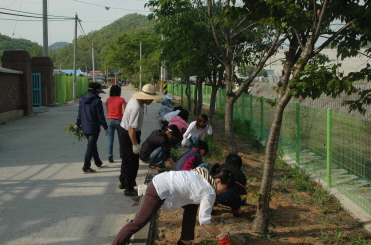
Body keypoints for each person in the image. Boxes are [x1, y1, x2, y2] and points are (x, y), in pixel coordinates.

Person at [111, 165, 235, 245]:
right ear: (218, 181)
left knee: (191, 207)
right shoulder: (209, 191)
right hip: (158, 190)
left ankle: (184, 241)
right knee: (139, 222)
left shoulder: (204, 174)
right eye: (225, 187)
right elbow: (204, 221)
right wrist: (221, 236)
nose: (224, 191)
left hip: (161, 180)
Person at [118, 84, 164, 196]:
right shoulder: (136, 107)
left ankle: (123, 181)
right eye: (151, 99)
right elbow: (131, 128)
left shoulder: (136, 101)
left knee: (126, 158)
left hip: (125, 131)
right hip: (129, 134)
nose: (152, 101)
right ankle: (129, 188)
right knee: (132, 162)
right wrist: (135, 144)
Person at [74, 82, 108, 174]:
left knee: (92, 144)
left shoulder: (82, 100)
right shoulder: (97, 101)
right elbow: (100, 116)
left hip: (85, 127)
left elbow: (80, 114)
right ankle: (86, 166)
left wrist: (77, 124)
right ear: (96, 91)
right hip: (94, 127)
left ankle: (98, 162)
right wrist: (105, 127)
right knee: (91, 146)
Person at [106, 85, 126, 163]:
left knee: (110, 139)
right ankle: (121, 154)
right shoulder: (122, 100)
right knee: (121, 139)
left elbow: (107, 111)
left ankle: (110, 155)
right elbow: (123, 112)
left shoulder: (108, 100)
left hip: (110, 120)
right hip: (119, 121)